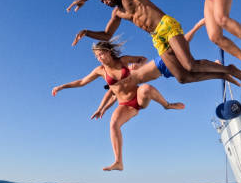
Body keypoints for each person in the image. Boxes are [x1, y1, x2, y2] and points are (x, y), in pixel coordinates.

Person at [66, 0, 241, 86]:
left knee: (190, 64)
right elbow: (107, 35)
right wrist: (86, 32)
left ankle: (229, 69)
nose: (104, 1)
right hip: (157, 37)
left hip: (165, 25)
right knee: (182, 77)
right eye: (102, 1)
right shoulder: (117, 13)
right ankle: (222, 74)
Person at [52, 41, 184, 171]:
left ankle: (167, 105)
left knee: (145, 88)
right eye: (97, 56)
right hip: (126, 105)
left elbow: (143, 59)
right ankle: (118, 162)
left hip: (138, 97)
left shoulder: (123, 61)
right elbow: (82, 82)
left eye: (101, 54)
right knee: (113, 124)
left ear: (108, 52)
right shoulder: (100, 71)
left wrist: (137, 65)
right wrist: (62, 86)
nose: (99, 58)